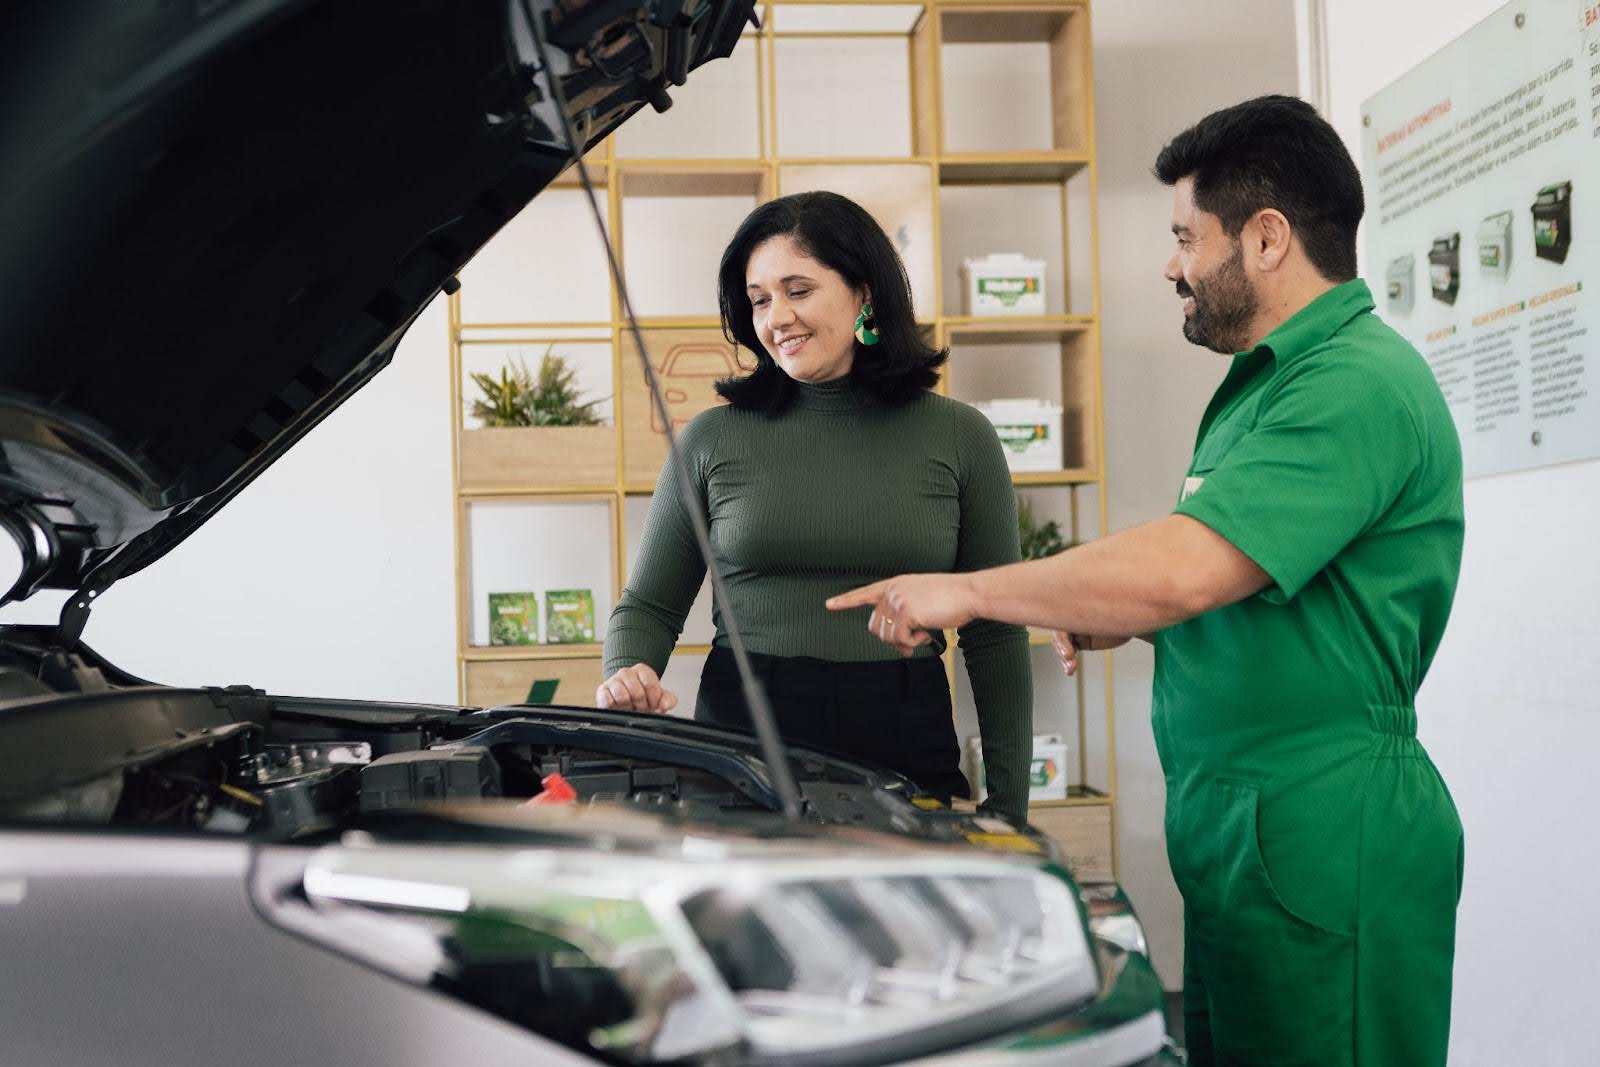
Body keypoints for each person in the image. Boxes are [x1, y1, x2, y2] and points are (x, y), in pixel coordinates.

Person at [828, 95, 1465, 1067]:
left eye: (1183, 237)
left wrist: (969, 591)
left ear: (1264, 238)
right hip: (1243, 827)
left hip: (1324, 822)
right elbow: (1238, 576)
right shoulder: (1267, 385)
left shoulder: (1353, 382)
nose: (1170, 264)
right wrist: (1125, 618)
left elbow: (1179, 570)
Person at [597, 191, 1035, 823]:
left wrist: (1010, 805)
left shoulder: (961, 437)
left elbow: (995, 631)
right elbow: (650, 606)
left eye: (798, 290)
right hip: (743, 738)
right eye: (759, 299)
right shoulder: (710, 440)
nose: (777, 318)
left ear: (864, 292)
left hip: (905, 732)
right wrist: (626, 675)